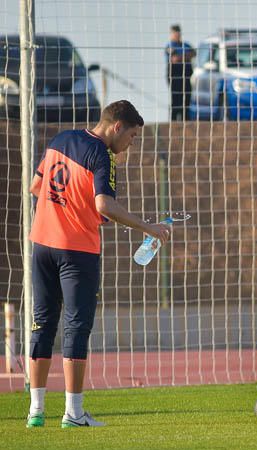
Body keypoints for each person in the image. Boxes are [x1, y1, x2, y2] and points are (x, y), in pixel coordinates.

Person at [26, 100, 171, 428]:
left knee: (42, 323)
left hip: (42, 245)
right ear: (117, 127)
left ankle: (36, 410)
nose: (130, 145)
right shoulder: (102, 154)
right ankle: (73, 413)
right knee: (76, 327)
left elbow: (36, 186)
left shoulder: (60, 139)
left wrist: (62, 208)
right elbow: (104, 205)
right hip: (77, 252)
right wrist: (150, 228)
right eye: (132, 137)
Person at [165, 24, 196, 121]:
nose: (177, 35)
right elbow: (174, 59)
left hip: (186, 76)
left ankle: (185, 121)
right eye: (175, 33)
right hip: (175, 76)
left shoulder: (186, 45)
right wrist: (186, 57)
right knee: (176, 100)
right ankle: (174, 122)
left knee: (187, 99)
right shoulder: (170, 46)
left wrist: (181, 57)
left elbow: (193, 53)